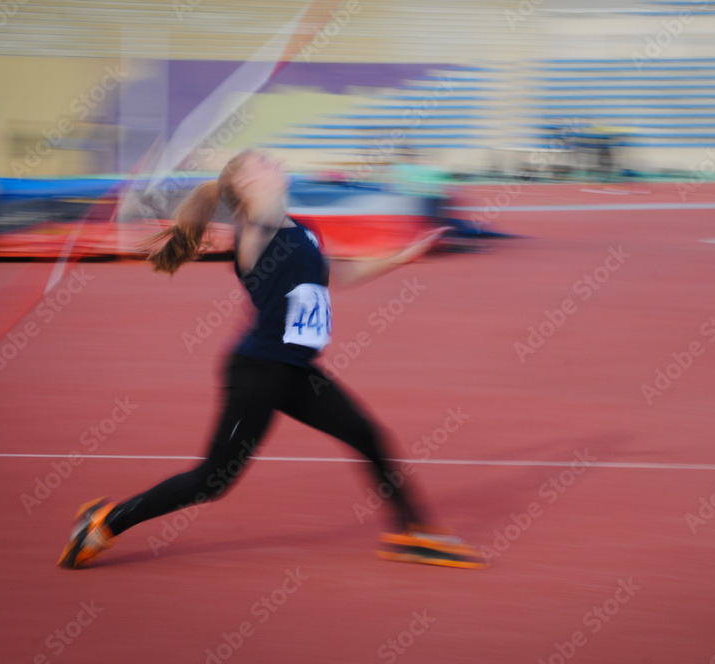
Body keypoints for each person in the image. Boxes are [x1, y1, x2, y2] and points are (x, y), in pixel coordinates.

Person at [57, 149, 484, 569]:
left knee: (367, 434)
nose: (276, 163)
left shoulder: (304, 229)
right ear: (245, 184)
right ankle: (104, 524)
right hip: (258, 371)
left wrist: (402, 256)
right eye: (263, 162)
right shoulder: (254, 234)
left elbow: (345, 272)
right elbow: (259, 218)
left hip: (297, 370)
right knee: (213, 480)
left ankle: (413, 532)